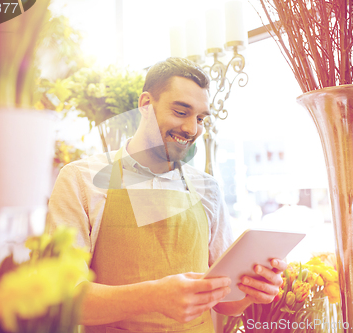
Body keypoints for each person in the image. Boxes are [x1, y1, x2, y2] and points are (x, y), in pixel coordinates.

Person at [47, 57, 286, 333]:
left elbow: (223, 301)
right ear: (146, 105)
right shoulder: (82, 178)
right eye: (181, 112)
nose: (192, 129)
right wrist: (153, 296)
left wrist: (253, 290)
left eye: (200, 118)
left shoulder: (207, 188)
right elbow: (62, 298)